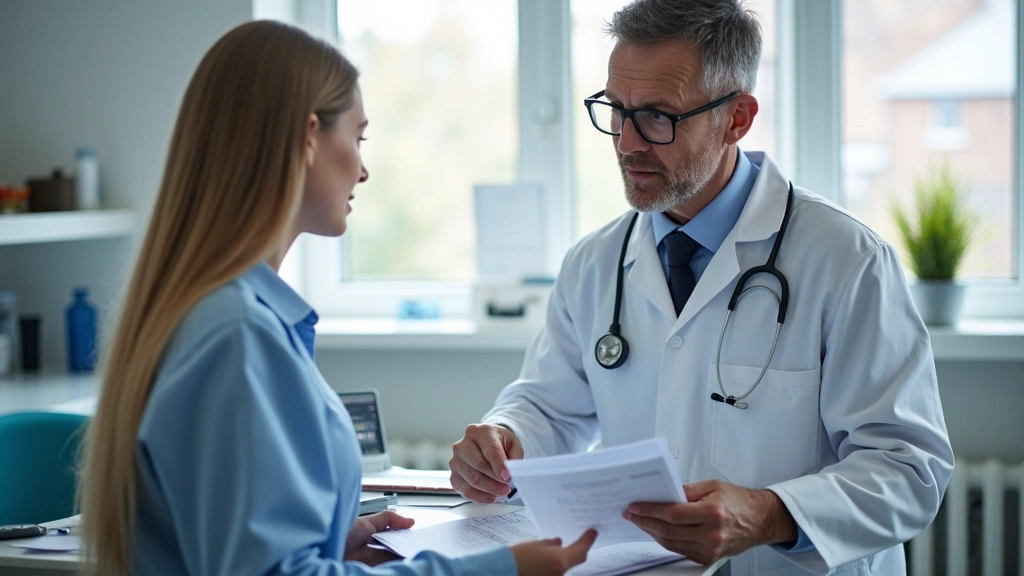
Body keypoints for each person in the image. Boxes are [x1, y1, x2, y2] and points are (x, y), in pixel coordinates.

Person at [449, 1, 954, 575]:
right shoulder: (594, 262)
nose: (625, 143)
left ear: (737, 117)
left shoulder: (846, 261)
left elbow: (909, 470)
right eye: (616, 110)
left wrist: (770, 514)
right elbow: (551, 406)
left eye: (658, 117)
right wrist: (507, 439)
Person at [77, 20, 596, 576]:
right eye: (358, 136)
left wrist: (329, 546)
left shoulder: (217, 313)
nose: (364, 169)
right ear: (307, 137)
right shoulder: (236, 334)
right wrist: (498, 571)